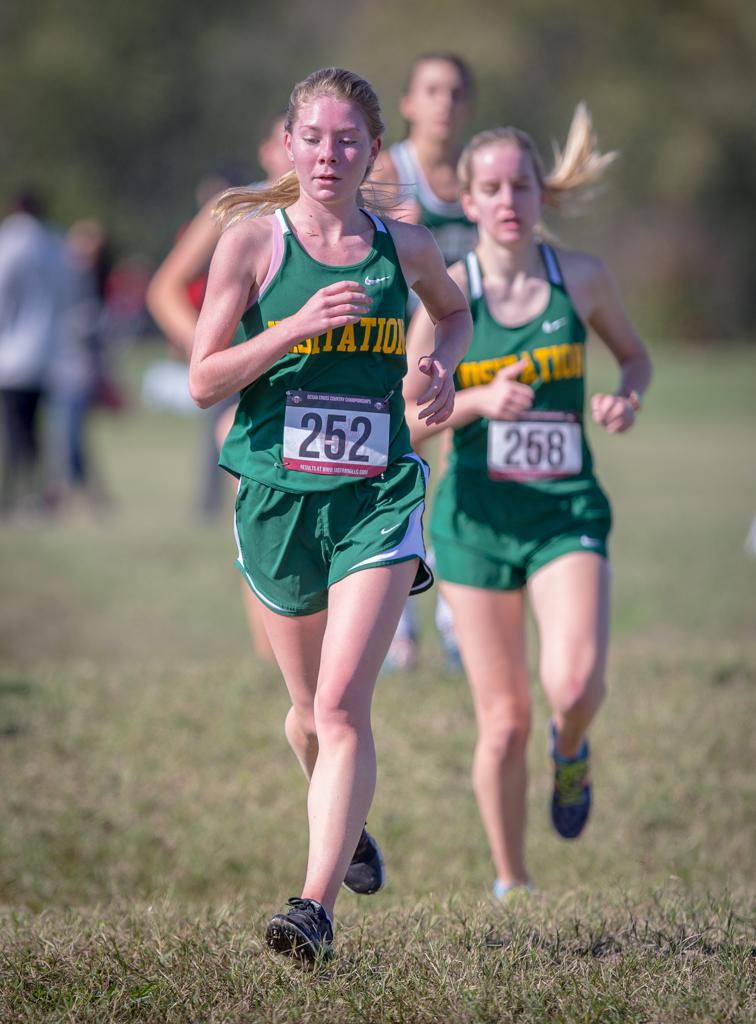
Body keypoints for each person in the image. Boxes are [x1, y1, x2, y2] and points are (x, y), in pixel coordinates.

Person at [189, 67, 471, 961]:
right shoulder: (250, 244)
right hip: (275, 496)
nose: (328, 154)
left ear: (372, 152)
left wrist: (441, 367)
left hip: (378, 493)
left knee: (346, 707)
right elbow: (203, 381)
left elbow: (454, 315)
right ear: (289, 142)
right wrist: (293, 326)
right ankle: (343, 828)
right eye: (313, 136)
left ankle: (312, 908)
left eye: (347, 139)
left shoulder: (408, 246)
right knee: (308, 715)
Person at [403, 105, 652, 898]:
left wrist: (624, 398)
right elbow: (411, 417)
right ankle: (513, 884)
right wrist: (476, 403)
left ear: (540, 196)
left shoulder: (579, 278)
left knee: (573, 688)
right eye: (491, 188)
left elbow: (634, 356)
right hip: (474, 521)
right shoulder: (448, 300)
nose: (508, 200)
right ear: (467, 202)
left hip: (563, 514)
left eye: (522, 185)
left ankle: (572, 750)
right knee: (503, 720)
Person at [147, 116, 290, 661]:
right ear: (266, 151)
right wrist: (210, 355)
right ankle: (269, 656)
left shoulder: (346, 207)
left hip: (324, 389)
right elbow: (164, 289)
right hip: (244, 389)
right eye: (284, 140)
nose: (297, 153)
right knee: (260, 512)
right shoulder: (237, 206)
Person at [372, 52, 477, 671]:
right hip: (396, 346)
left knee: (459, 465)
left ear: (469, 105)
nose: (445, 101)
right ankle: (398, 616)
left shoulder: (482, 176)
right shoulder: (388, 171)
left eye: (456, 91)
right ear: (409, 103)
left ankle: (453, 610)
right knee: (399, 460)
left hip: (466, 340)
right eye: (432, 89)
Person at [0, 191, 71, 517]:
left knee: (14, 430)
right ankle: (34, 495)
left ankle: (16, 496)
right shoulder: (54, 244)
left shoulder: (11, 242)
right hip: (46, 351)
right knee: (33, 430)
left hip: (11, 352)